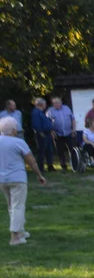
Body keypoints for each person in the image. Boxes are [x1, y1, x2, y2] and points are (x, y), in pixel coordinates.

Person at [0, 117, 47, 245]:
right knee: (18, 207)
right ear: (13, 130)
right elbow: (31, 160)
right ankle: (15, 237)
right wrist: (39, 175)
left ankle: (20, 231)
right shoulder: (18, 142)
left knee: (11, 206)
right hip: (17, 178)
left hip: (2, 179)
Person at [46, 97, 77, 171]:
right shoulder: (50, 111)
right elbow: (47, 123)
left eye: (57, 103)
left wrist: (73, 129)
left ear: (61, 103)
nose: (55, 104)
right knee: (60, 151)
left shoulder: (66, 108)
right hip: (57, 134)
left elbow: (73, 119)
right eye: (54, 103)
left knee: (72, 149)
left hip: (69, 132)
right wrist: (51, 131)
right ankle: (63, 166)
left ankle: (75, 164)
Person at [30, 98, 55, 171]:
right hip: (42, 135)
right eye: (45, 104)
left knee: (49, 150)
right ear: (42, 104)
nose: (46, 105)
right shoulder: (36, 112)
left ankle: (50, 166)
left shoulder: (41, 112)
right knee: (42, 151)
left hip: (47, 134)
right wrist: (40, 133)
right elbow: (36, 124)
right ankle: (40, 168)